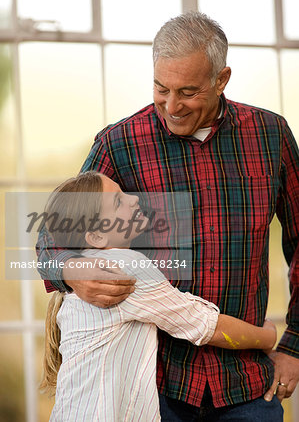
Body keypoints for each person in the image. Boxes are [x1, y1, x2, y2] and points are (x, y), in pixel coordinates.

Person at [36, 12, 299, 421]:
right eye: (161, 89)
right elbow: (53, 233)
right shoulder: (119, 143)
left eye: (188, 92)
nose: (171, 106)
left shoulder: (270, 135)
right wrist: (69, 269)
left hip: (247, 385)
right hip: (154, 389)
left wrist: (293, 344)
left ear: (221, 79)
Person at [40, 171, 277, 422]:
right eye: (119, 201)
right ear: (96, 236)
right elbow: (205, 326)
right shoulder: (124, 267)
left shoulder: (80, 276)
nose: (133, 199)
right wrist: (267, 337)